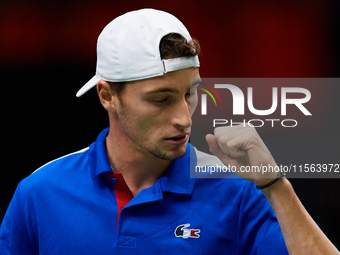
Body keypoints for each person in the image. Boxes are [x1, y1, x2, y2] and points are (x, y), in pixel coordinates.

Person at [0, 8, 338, 255]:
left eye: (190, 95)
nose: (184, 118)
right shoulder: (39, 193)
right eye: (161, 99)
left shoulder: (239, 192)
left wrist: (276, 185)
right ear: (107, 96)